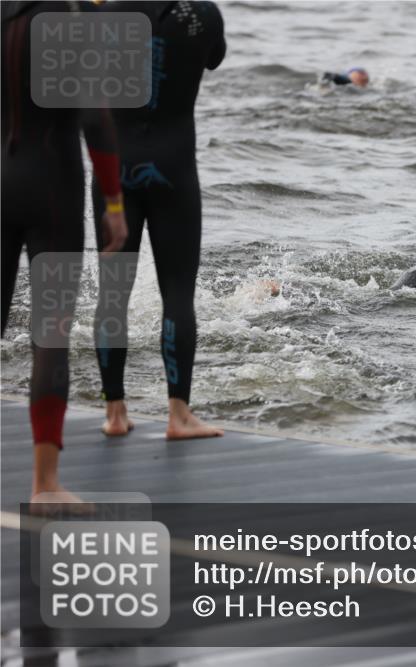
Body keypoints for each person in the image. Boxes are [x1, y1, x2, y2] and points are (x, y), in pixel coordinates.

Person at [2, 1, 128, 508]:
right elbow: (96, 121)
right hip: (51, 186)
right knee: (49, 331)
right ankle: (45, 485)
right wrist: (114, 202)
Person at [92, 0, 226, 440]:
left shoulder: (103, 17)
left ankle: (114, 412)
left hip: (116, 171)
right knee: (178, 294)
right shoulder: (202, 13)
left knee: (112, 294)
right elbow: (215, 58)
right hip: (174, 170)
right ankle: (178, 415)